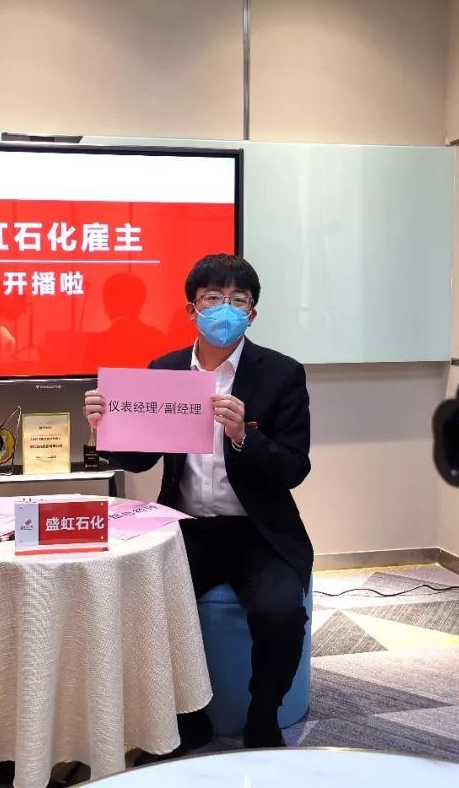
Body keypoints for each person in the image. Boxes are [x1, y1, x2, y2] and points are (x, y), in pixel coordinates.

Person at [84, 254, 312, 754]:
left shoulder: (281, 373)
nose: (224, 309)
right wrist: (105, 429)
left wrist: (243, 437)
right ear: (192, 310)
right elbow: (140, 458)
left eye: (238, 300)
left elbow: (295, 467)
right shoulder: (164, 371)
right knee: (143, 605)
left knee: (279, 611)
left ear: (252, 314)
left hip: (259, 531)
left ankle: (263, 713)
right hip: (186, 529)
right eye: (213, 298)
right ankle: (187, 717)